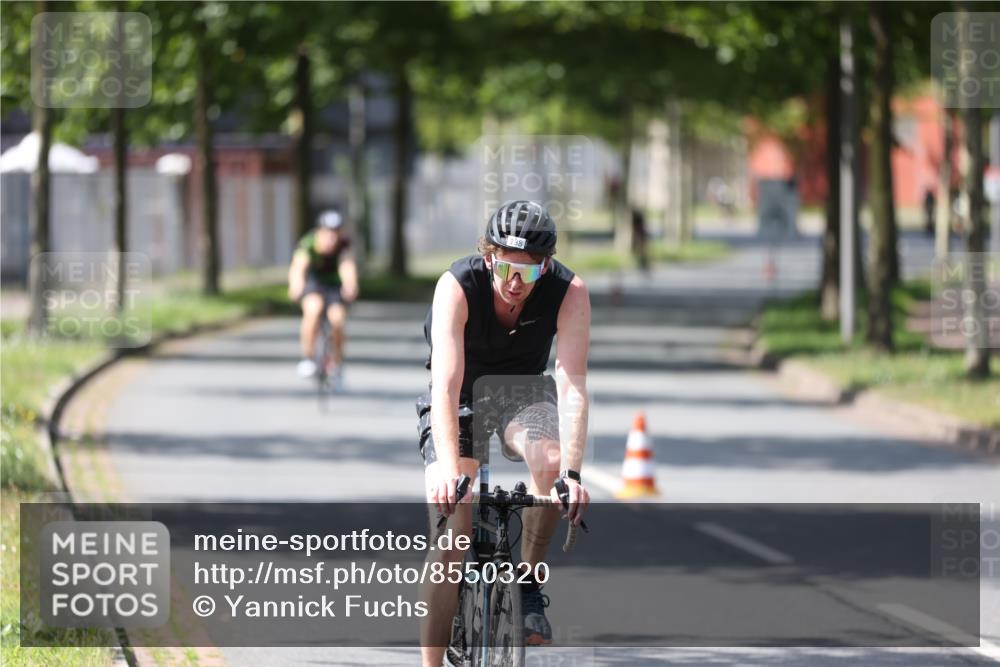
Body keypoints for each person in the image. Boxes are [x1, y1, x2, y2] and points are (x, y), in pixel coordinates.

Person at [416, 200, 591, 666]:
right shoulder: (457, 286)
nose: (515, 283)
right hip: (460, 397)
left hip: (522, 393)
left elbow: (572, 385)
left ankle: (528, 583)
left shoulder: (569, 292)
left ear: (545, 266)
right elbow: (445, 386)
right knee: (454, 537)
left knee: (550, 463)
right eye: (507, 268)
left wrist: (572, 474)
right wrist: (449, 472)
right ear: (489, 255)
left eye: (528, 272)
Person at [287, 210, 359, 384]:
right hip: (313, 283)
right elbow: (298, 267)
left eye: (335, 233)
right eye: (327, 233)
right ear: (319, 231)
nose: (331, 238)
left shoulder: (343, 245)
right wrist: (296, 285)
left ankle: (337, 364)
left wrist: (350, 285)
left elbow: (347, 266)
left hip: (334, 286)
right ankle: (308, 357)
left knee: (337, 319)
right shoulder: (308, 244)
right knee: (313, 309)